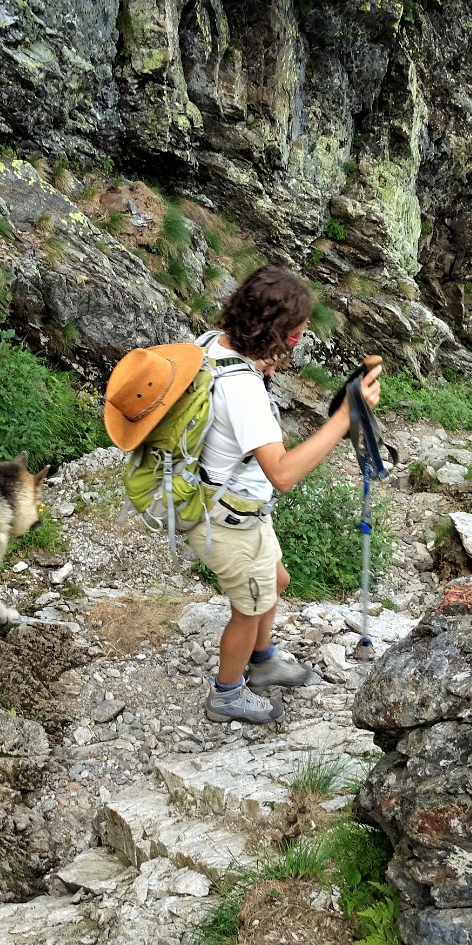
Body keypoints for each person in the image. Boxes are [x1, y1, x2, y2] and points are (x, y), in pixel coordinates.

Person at [192, 264, 382, 725]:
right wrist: (344, 418)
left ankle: (263, 661)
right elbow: (282, 473)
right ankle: (228, 693)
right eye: (294, 337)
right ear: (272, 330)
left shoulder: (212, 343)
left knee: (275, 582)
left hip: (227, 502)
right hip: (230, 517)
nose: (294, 346)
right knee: (248, 605)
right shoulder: (244, 392)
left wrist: (266, 360)